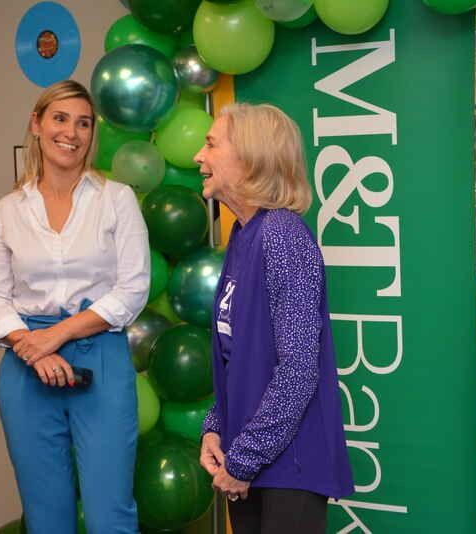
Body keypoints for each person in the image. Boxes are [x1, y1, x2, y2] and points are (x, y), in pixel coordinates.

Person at [0, 80, 148, 533]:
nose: (71, 132)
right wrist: (31, 346)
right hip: (25, 364)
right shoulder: (8, 210)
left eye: (84, 123)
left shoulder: (117, 200)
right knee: (46, 517)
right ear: (36, 124)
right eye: (60, 118)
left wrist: (59, 334)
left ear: (92, 135)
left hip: (100, 357)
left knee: (111, 513)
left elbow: (133, 289)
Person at [194, 103, 354, 533]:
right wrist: (215, 429)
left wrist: (244, 458)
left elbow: (299, 369)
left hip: (287, 469)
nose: (198, 156)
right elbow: (241, 361)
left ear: (249, 158)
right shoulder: (244, 234)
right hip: (251, 460)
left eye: (211, 144)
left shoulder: (282, 235)